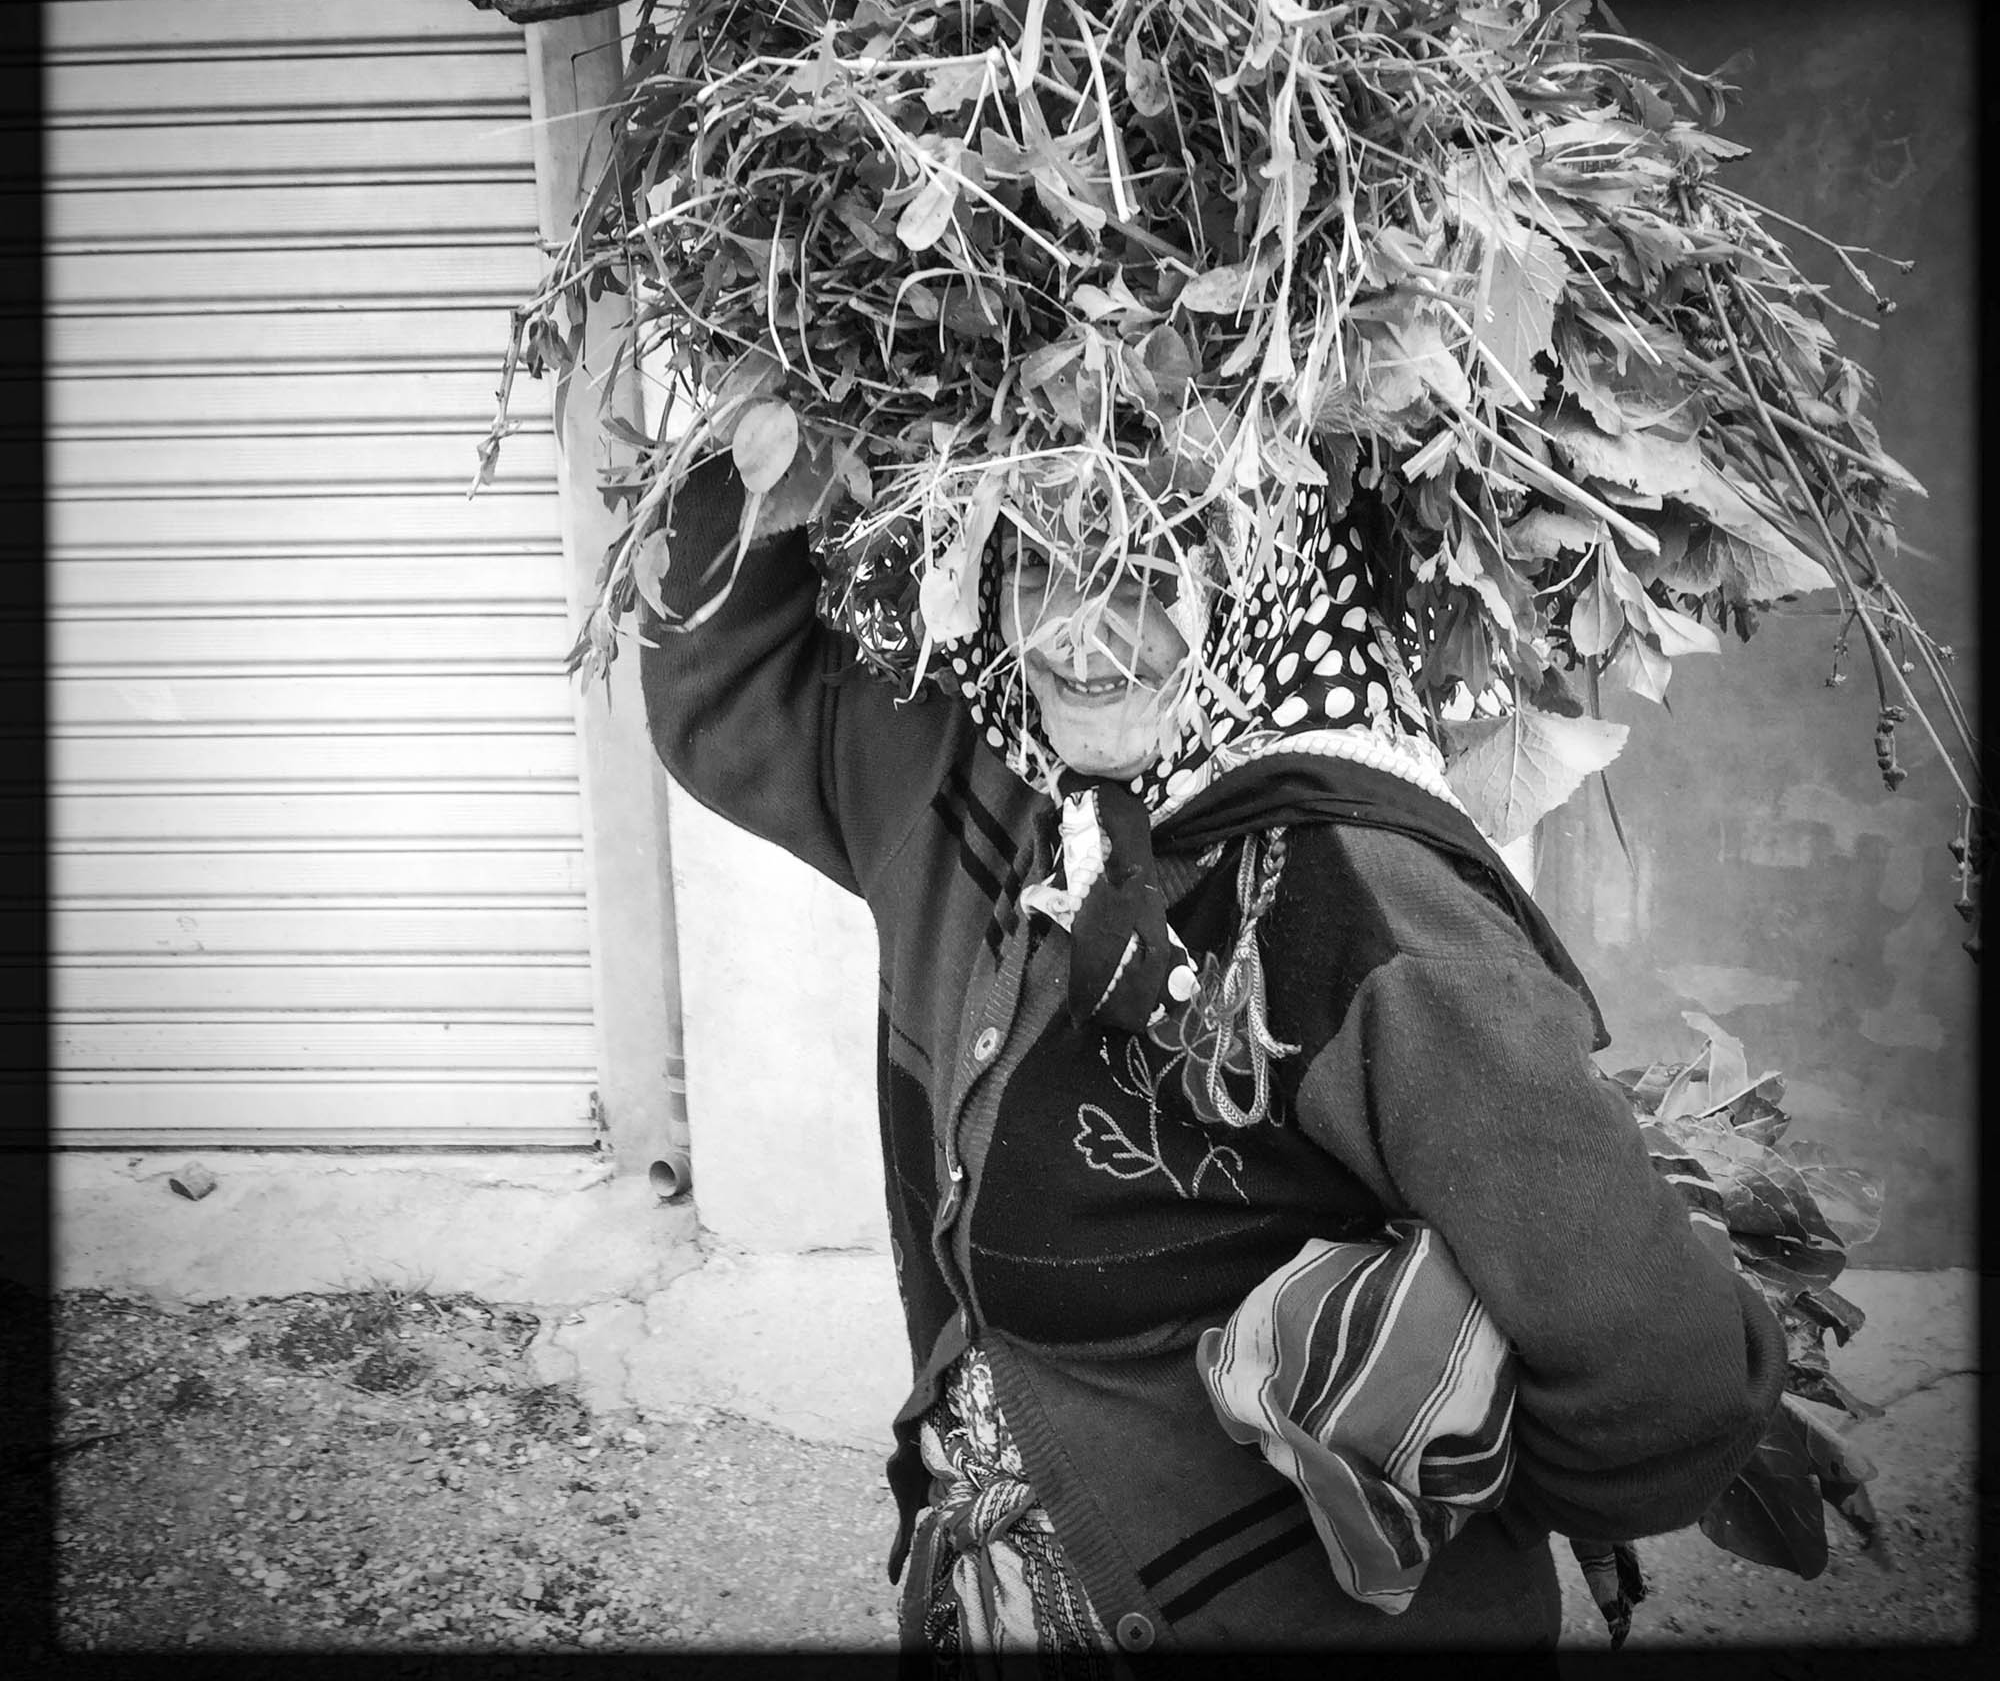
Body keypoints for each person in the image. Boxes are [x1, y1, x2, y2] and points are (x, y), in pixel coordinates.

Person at [639, 446, 1786, 1663]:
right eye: (1031, 558)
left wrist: (1444, 1451)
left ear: (1263, 570)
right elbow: (721, 685)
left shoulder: (1366, 906)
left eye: (1146, 570)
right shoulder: (978, 774)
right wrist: (779, 399)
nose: (1081, 634)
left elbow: (1665, 1389)